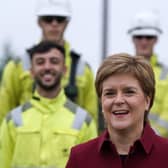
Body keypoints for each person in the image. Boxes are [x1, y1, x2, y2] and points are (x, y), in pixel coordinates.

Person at [0, 41, 97, 168]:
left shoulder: (83, 121)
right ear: (32, 71)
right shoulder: (13, 120)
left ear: (64, 70)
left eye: (54, 61)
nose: (47, 67)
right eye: (40, 62)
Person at [0, 0, 98, 125]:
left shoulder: (82, 68)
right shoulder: (17, 66)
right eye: (48, 19)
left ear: (67, 23)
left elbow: (91, 118)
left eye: (60, 19)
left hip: (70, 141)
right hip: (27, 140)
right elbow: (3, 114)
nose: (54, 24)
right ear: (39, 22)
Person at [66, 53, 168, 168]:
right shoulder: (80, 157)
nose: (118, 100)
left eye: (129, 92)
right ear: (102, 101)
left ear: (147, 101)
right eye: (110, 93)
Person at [127, 11, 168, 137]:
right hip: (126, 143)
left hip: (160, 146)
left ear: (156, 39)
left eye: (148, 37)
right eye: (139, 37)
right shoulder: (122, 72)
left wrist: (148, 138)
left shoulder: (166, 75)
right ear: (133, 39)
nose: (144, 41)